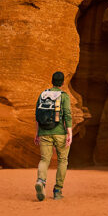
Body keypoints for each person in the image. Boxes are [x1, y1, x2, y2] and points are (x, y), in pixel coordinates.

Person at [34, 71, 72, 201]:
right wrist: (69, 133)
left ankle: (41, 181)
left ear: (52, 81)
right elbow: (67, 115)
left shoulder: (43, 95)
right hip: (60, 132)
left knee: (44, 160)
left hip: (44, 132)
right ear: (62, 82)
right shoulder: (64, 96)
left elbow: (37, 115)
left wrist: (37, 133)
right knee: (63, 160)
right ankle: (57, 190)